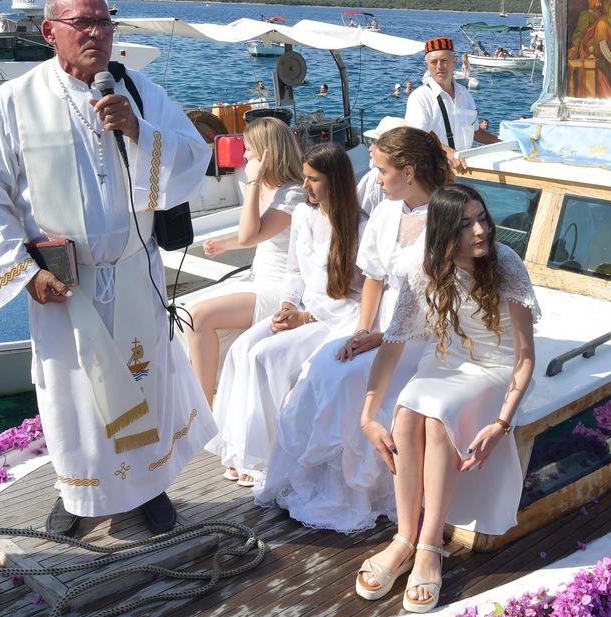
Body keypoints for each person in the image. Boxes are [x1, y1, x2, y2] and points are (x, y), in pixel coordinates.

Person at [0, 0, 212, 537]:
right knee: (72, 394)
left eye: (105, 22)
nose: (98, 33)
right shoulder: (14, 102)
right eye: (83, 23)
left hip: (133, 274)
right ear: (51, 32)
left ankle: (149, 486)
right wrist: (25, 273)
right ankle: (80, 493)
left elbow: (196, 156)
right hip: (63, 282)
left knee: (146, 383)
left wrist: (140, 131)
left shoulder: (138, 93)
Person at [357, 184, 539, 612]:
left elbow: (525, 357)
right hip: (445, 364)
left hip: (495, 369)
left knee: (437, 416)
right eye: (465, 224)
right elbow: (393, 344)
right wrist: (368, 416)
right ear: (442, 232)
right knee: (404, 411)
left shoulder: (506, 264)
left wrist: (502, 423)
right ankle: (404, 536)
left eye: (483, 218)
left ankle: (430, 543)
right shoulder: (424, 272)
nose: (481, 231)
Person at [261, 126, 452, 532]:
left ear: (409, 171)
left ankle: (357, 492)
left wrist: (382, 337)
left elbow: (443, 299)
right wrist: (363, 330)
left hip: (426, 332)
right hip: (380, 322)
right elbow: (374, 281)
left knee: (350, 381)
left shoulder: (446, 216)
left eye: (382, 170)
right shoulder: (385, 213)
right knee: (327, 369)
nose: (376, 179)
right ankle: (319, 481)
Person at [207, 142, 364, 487]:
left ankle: (265, 455)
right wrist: (288, 307)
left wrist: (304, 319)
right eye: (305, 178)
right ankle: (239, 447)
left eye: (313, 180)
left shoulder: (359, 226)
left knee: (266, 356)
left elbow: (360, 294)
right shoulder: (305, 215)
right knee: (240, 349)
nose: (305, 186)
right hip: (304, 309)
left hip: (338, 318)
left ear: (334, 181)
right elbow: (295, 272)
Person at [182, 117, 307, 403]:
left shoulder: (293, 194)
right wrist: (225, 244)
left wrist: (252, 181)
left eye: (249, 149)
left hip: (283, 290)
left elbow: (252, 235)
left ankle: (204, 407)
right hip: (257, 279)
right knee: (186, 312)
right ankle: (205, 394)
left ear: (267, 154)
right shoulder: (267, 187)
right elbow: (254, 233)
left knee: (199, 316)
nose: (244, 155)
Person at [404, 36, 497, 173]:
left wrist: (501, 143)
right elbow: (417, 137)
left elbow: (475, 131)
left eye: (444, 60)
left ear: (454, 62)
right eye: (434, 62)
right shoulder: (420, 97)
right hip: (433, 173)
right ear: (426, 66)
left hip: (463, 170)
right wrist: (448, 152)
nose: (439, 67)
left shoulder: (465, 94)